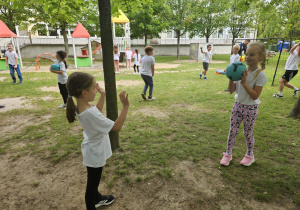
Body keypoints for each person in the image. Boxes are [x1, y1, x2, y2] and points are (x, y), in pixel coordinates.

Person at [66, 72, 129, 210]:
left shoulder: (81, 106)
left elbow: (97, 110)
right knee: (92, 185)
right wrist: (125, 106)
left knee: (94, 181)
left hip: (92, 149)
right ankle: (92, 203)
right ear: (84, 93)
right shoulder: (89, 112)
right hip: (95, 153)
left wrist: (102, 95)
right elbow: (116, 127)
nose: (96, 89)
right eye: (94, 88)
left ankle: (98, 198)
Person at [220, 42, 267, 167]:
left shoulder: (260, 74)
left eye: (251, 54)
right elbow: (231, 90)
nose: (247, 57)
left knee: (247, 133)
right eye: (246, 54)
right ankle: (228, 154)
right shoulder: (240, 70)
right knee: (232, 131)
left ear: (260, 57)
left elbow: (255, 95)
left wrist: (245, 83)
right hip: (238, 105)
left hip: (251, 108)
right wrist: (231, 76)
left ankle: (249, 155)